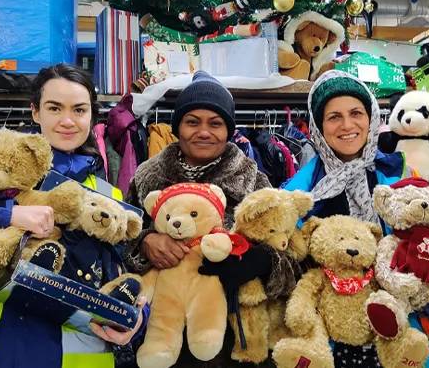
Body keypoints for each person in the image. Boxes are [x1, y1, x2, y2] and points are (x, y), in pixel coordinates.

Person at [0, 64, 147, 368]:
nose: (67, 121)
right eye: (54, 108)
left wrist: (134, 320)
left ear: (93, 116)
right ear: (35, 112)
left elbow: (124, 276)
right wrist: (6, 214)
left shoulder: (109, 198)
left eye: (79, 110)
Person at [123, 71, 302, 367]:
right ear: (178, 126)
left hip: (238, 342)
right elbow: (118, 240)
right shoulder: (147, 178)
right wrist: (145, 242)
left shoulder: (253, 182)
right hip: (162, 337)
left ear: (229, 130)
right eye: (192, 121)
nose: (203, 132)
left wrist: (262, 261)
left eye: (215, 123)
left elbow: (294, 259)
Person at [281, 70, 429, 368]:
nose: (347, 125)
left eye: (356, 113)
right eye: (334, 117)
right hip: (333, 335)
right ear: (318, 127)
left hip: (400, 324)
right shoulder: (299, 192)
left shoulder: (399, 175)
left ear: (371, 117)